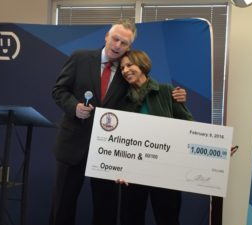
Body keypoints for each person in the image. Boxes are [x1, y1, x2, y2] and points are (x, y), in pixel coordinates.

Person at [50, 19, 187, 225]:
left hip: (109, 151)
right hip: (73, 144)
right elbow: (58, 90)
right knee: (63, 206)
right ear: (107, 36)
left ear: (129, 46)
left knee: (106, 209)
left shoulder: (127, 72)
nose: (117, 46)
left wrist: (177, 95)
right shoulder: (80, 57)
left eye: (124, 43)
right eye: (115, 39)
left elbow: (147, 91)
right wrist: (74, 107)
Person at [118, 50, 194, 225]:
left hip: (165, 170)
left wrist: (214, 149)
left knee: (168, 218)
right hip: (133, 170)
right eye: (122, 68)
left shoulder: (167, 91)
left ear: (143, 65)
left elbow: (188, 125)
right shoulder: (122, 99)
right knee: (131, 219)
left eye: (130, 65)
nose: (125, 70)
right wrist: (118, 167)